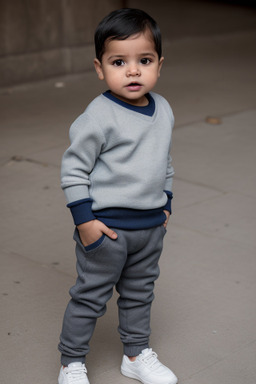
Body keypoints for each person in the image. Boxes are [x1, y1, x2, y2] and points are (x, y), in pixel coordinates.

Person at [58, 8, 177, 384]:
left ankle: (135, 354)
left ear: (159, 63)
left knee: (140, 294)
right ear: (99, 68)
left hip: (149, 228)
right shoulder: (99, 115)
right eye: (118, 62)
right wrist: (85, 222)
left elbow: (165, 161)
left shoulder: (164, 110)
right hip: (106, 230)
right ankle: (71, 362)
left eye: (144, 60)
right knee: (90, 298)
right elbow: (74, 168)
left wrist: (166, 203)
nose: (133, 71)